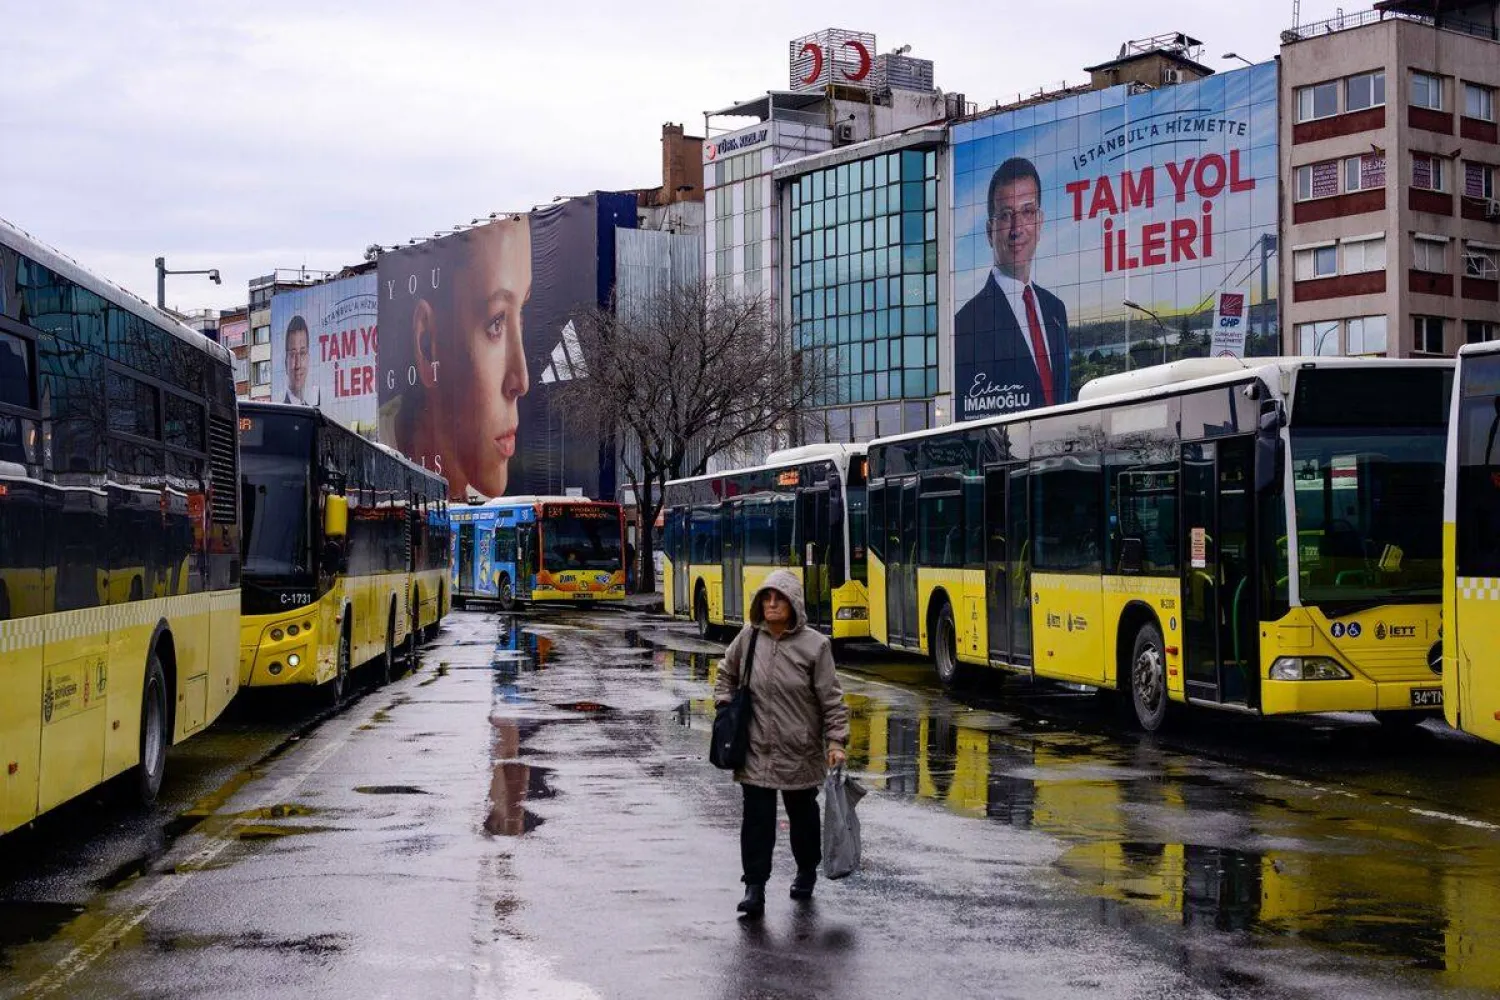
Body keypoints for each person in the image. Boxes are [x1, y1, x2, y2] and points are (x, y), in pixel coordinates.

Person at [714, 568, 849, 918]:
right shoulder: (748, 638)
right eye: (766, 598)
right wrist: (725, 705)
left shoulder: (815, 646)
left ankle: (806, 870)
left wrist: (836, 741)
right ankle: (754, 887)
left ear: (794, 604)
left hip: (798, 751)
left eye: (779, 598)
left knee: (802, 818)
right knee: (756, 821)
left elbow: (831, 700)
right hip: (755, 748)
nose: (772, 604)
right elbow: (726, 673)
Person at [383, 218, 532, 498]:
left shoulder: (487, 511)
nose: (521, 381)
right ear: (428, 344)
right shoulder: (376, 463)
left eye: (521, 314)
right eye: (496, 323)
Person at [954, 156, 1071, 415]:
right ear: (989, 231)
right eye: (1006, 216)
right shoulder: (965, 326)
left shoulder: (1056, 311)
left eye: (1027, 212)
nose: (1017, 228)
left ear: (1039, 223)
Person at [282, 315, 319, 406]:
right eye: (293, 354)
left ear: (308, 359)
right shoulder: (281, 414)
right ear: (286, 362)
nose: (298, 365)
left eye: (302, 353)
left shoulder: (309, 412)